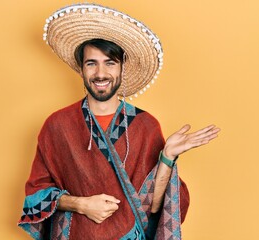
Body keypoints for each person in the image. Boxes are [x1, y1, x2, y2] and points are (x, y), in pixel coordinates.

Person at [18, 3, 220, 240]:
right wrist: (80, 204)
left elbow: (152, 207)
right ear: (81, 69)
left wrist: (167, 156)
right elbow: (35, 195)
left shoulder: (146, 126)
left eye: (110, 63)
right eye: (91, 63)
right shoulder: (58, 125)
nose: (100, 73)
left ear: (123, 68)